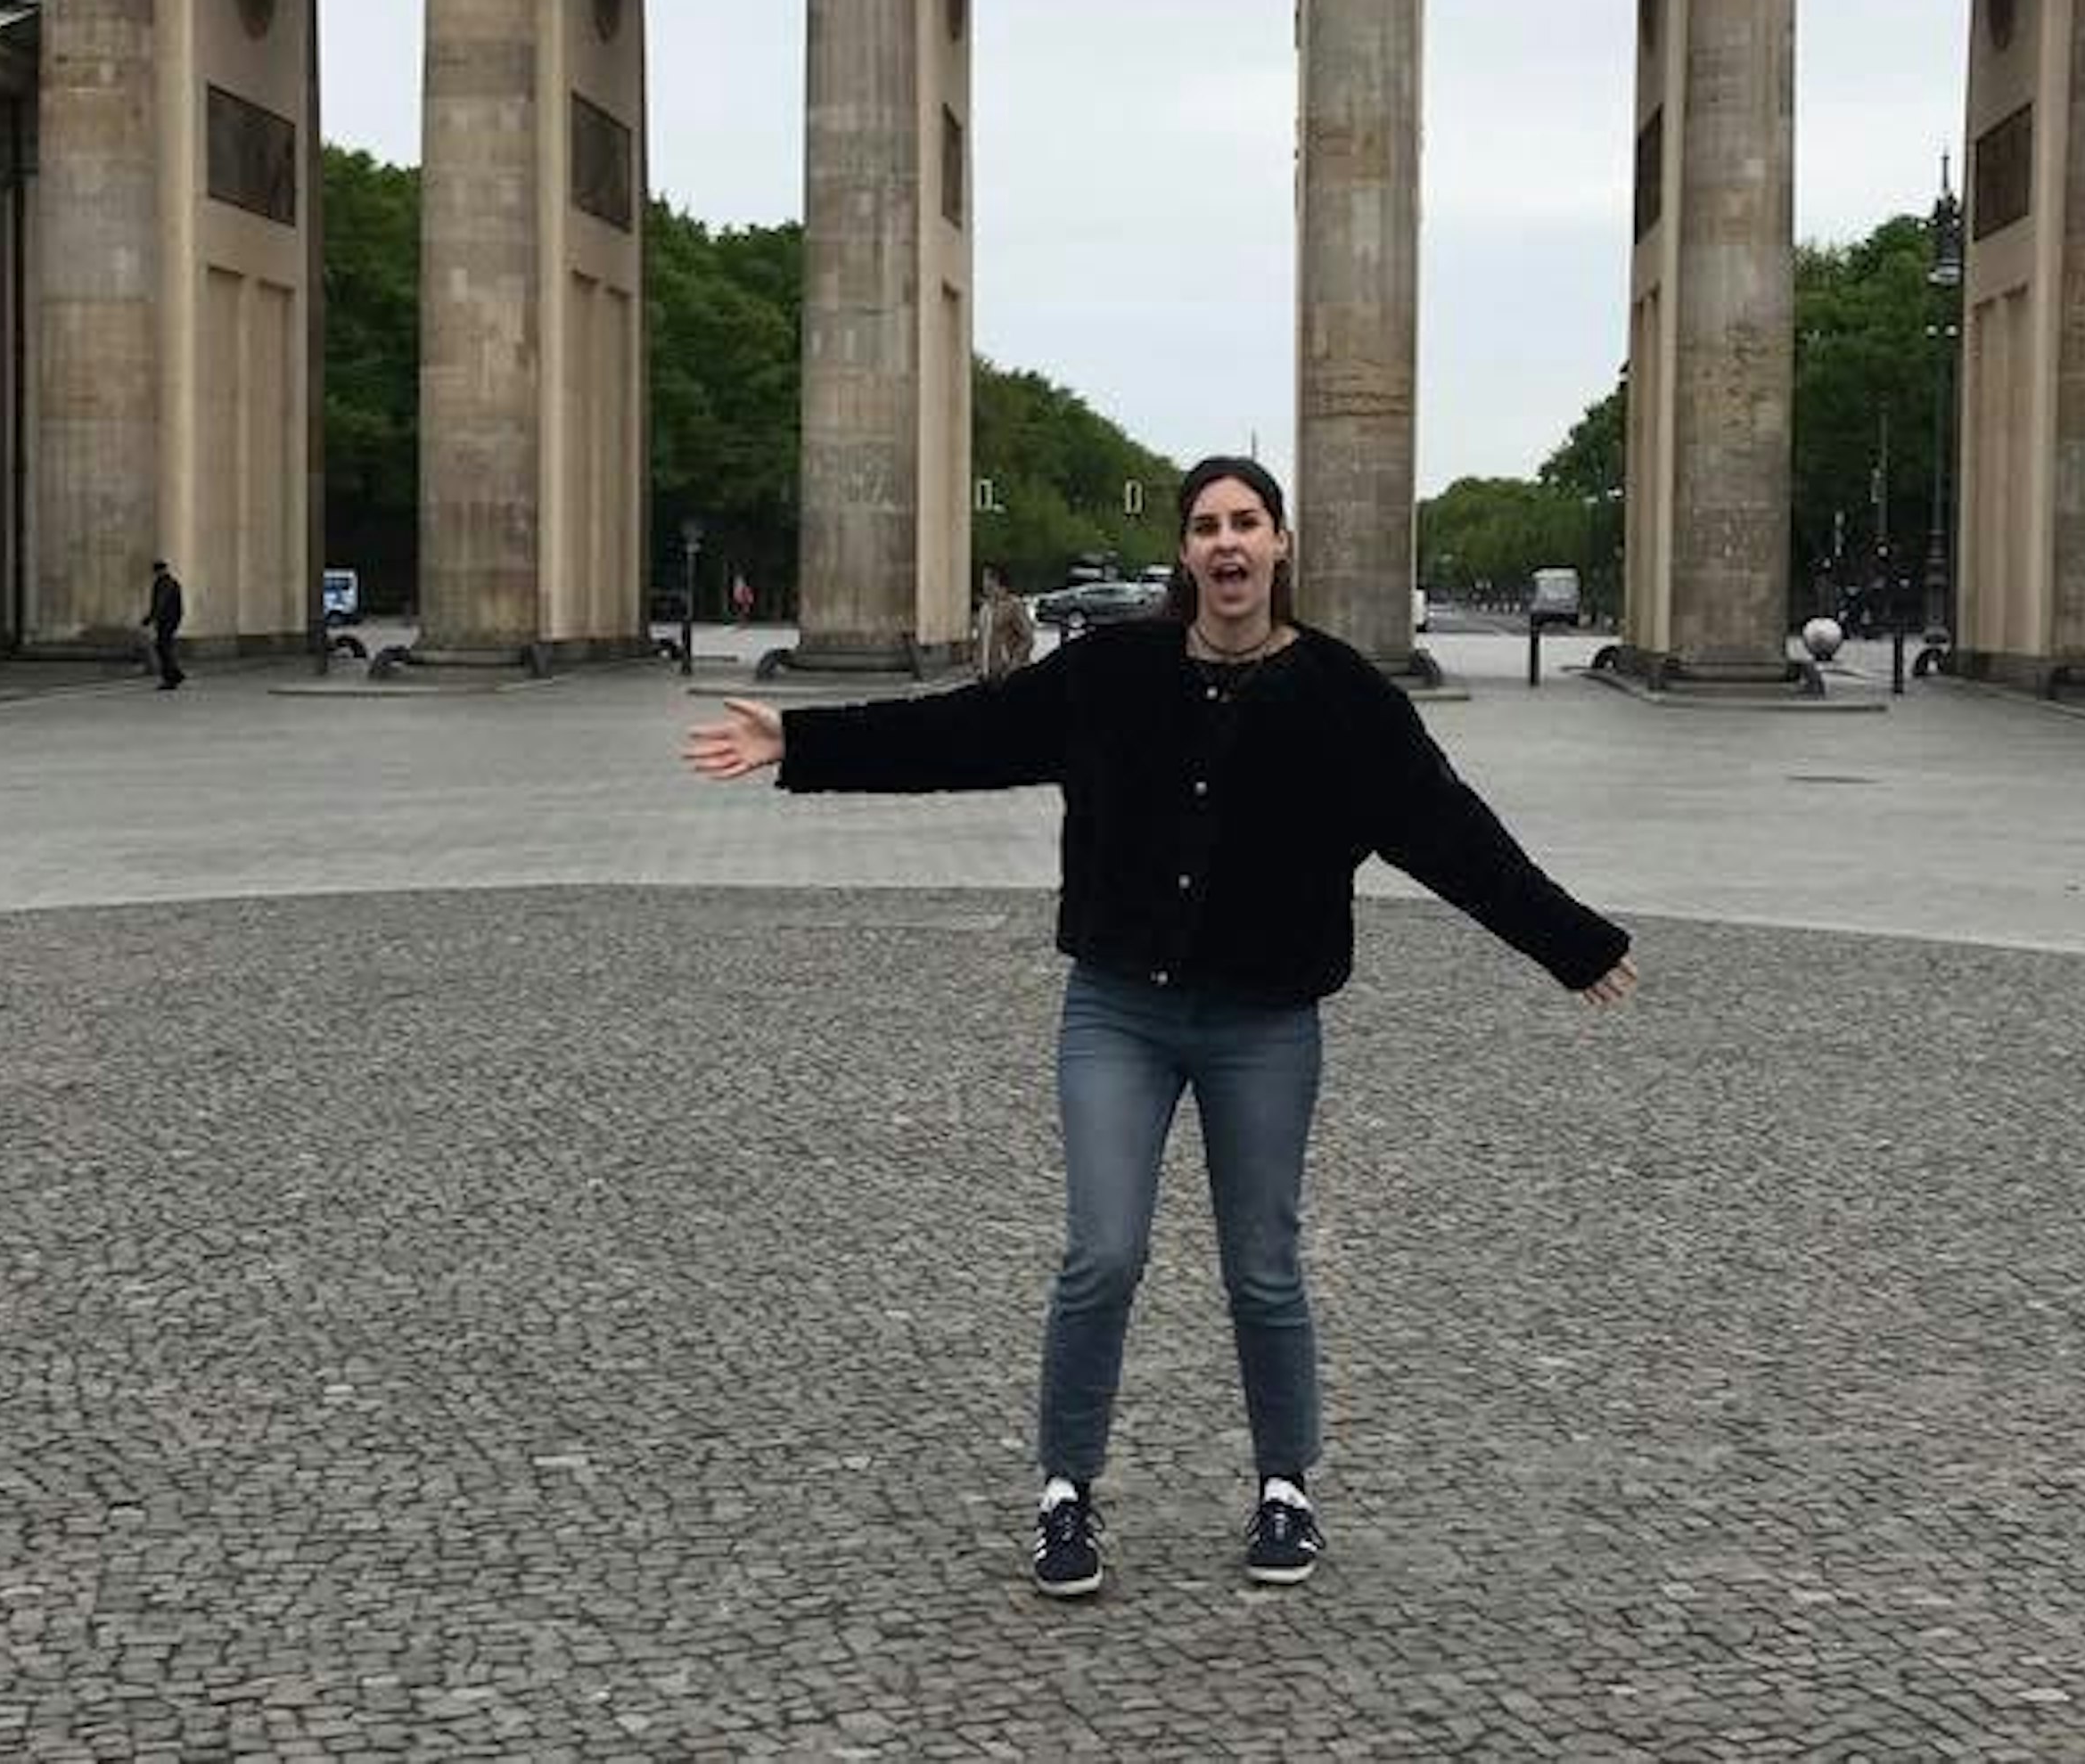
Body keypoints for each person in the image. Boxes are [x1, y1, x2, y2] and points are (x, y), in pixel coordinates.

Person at [683, 453, 1637, 1602]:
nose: (1226, 543)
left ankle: (1286, 1483)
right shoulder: (1111, 672)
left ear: (1281, 543)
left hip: (1265, 1023)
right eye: (1205, 526)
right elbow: (964, 733)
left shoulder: (1346, 697)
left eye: (1246, 522)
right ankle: (1065, 1491)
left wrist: (1569, 941)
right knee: (1103, 1251)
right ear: (1185, 552)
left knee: (1264, 1267)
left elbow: (1451, 834)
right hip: (1119, 1010)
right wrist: (802, 742)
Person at [975, 562, 1037, 682]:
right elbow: (980, 640)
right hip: (987, 675)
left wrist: (1013, 665)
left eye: (985, 578)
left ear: (995, 580)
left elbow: (1028, 639)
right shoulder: (985, 608)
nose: (983, 583)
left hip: (1007, 675)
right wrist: (978, 666)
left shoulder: (1014, 605)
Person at [141, 559, 186, 693]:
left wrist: (150, 618)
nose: (156, 574)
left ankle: (170, 679)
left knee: (163, 648)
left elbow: (161, 602)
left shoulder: (165, 583)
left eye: (157, 571)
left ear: (160, 571)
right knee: (164, 647)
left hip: (167, 620)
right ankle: (176, 674)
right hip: (170, 620)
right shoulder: (171, 582)